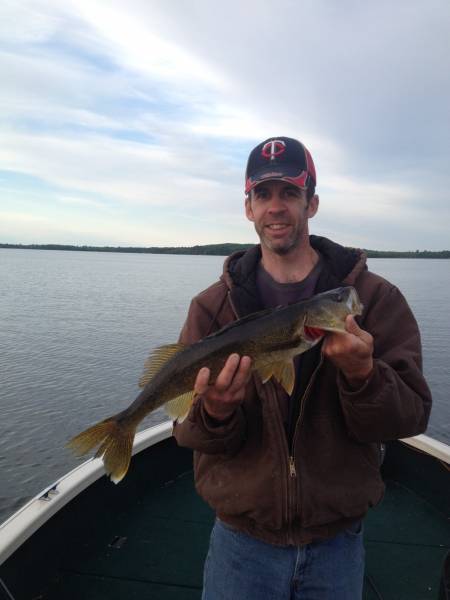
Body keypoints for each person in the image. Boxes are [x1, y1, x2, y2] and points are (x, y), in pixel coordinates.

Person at [173, 136, 432, 599]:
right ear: (248, 208)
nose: (276, 207)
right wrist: (214, 412)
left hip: (336, 542)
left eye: (290, 193)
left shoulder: (375, 299)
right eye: (263, 194)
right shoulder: (211, 308)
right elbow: (189, 433)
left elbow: (410, 416)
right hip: (240, 541)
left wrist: (363, 377)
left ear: (311, 203)